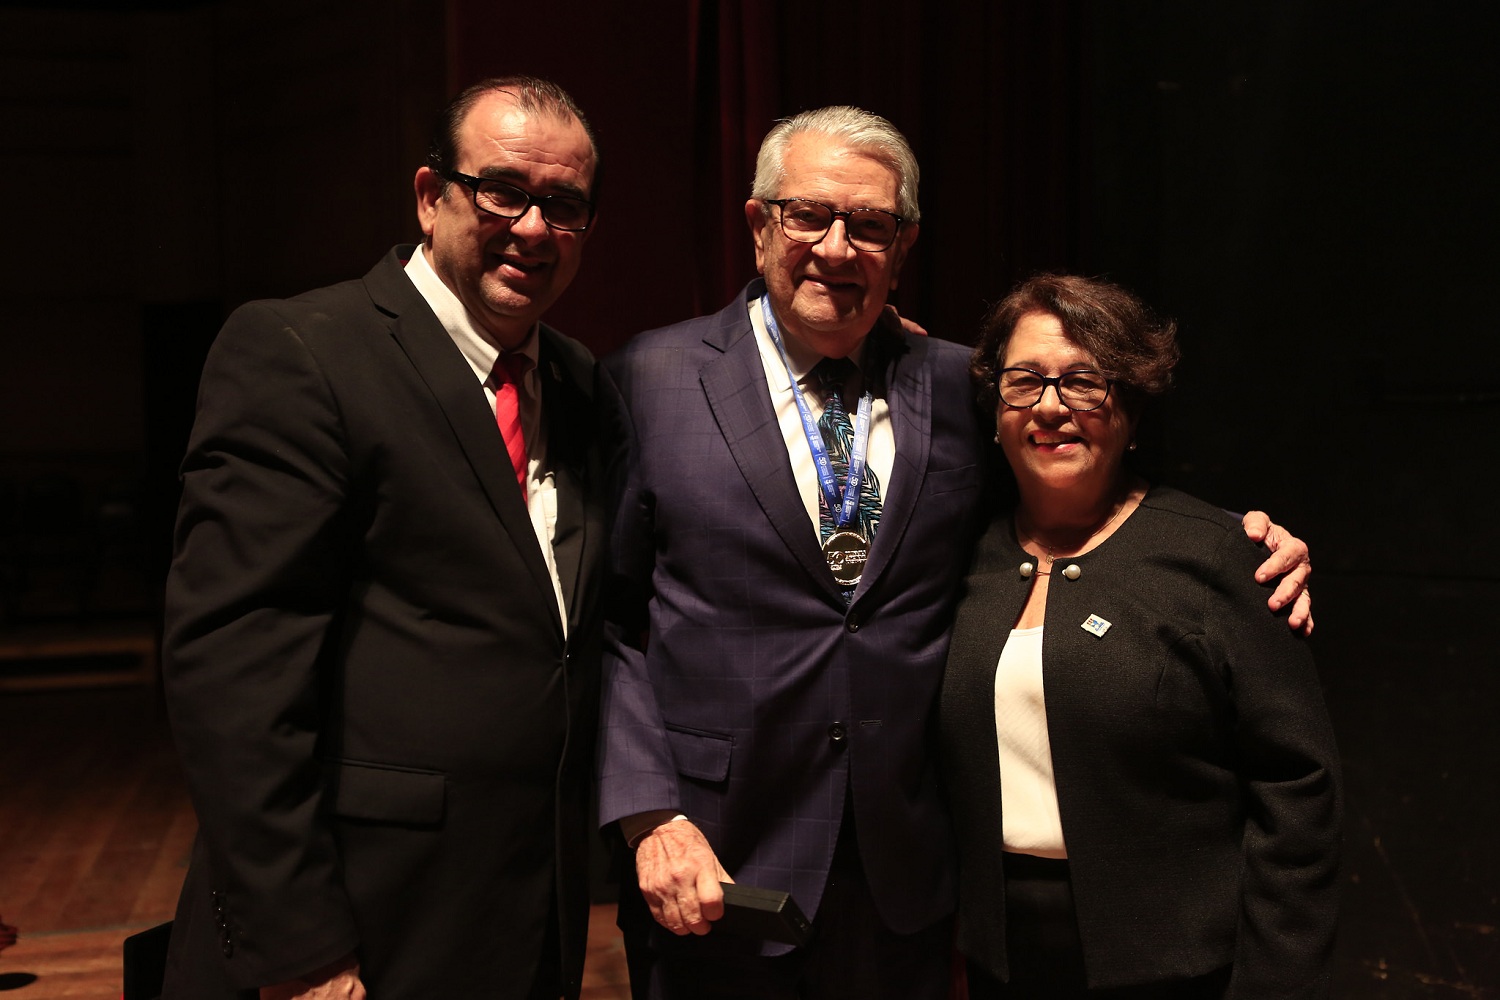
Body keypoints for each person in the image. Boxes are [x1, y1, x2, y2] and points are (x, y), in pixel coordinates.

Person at [597, 107, 1314, 1000]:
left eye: (870, 225)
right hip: (716, 858)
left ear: (903, 247)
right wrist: (648, 814)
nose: (837, 246)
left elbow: (1079, 487)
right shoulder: (647, 378)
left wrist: (1243, 539)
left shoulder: (962, 385)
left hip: (909, 876)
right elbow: (612, 619)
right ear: (757, 224)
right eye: (808, 215)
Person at [160, 76, 612, 1000]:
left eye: (563, 205)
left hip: (525, 916)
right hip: (357, 925)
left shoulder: (579, 382)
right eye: (502, 191)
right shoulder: (302, 351)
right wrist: (300, 949)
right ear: (429, 195)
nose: (532, 227)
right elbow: (231, 675)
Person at [939, 274, 1341, 998]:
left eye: (1084, 382)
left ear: (1130, 401)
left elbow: (1299, 795)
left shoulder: (1220, 556)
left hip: (1180, 969)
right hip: (1002, 961)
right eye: (1025, 381)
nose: (1051, 406)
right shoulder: (958, 554)